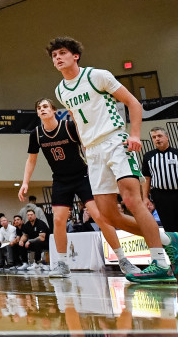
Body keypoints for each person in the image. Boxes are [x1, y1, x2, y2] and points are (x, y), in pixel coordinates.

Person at [50, 36, 178, 283]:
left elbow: (133, 103)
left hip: (115, 141)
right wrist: (84, 144)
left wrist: (135, 135)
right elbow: (77, 117)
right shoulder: (60, 90)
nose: (58, 58)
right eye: (54, 55)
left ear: (75, 56)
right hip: (93, 151)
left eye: (62, 53)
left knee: (132, 200)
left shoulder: (97, 76)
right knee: (108, 215)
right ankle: (167, 240)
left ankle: (160, 262)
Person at [21, 97, 136, 277]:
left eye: (45, 106)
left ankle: (123, 260)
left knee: (99, 216)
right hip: (60, 179)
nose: (42, 109)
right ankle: (62, 264)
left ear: (53, 110)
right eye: (39, 108)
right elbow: (31, 159)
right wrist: (25, 182)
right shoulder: (36, 134)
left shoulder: (68, 126)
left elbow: (86, 144)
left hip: (82, 176)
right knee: (58, 221)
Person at [143, 127, 178, 232]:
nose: (157, 139)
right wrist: (145, 197)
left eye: (159, 136)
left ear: (167, 137)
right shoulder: (148, 156)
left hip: (177, 192)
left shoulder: (176, 153)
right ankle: (173, 247)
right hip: (160, 195)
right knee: (167, 224)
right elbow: (146, 178)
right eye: (154, 137)